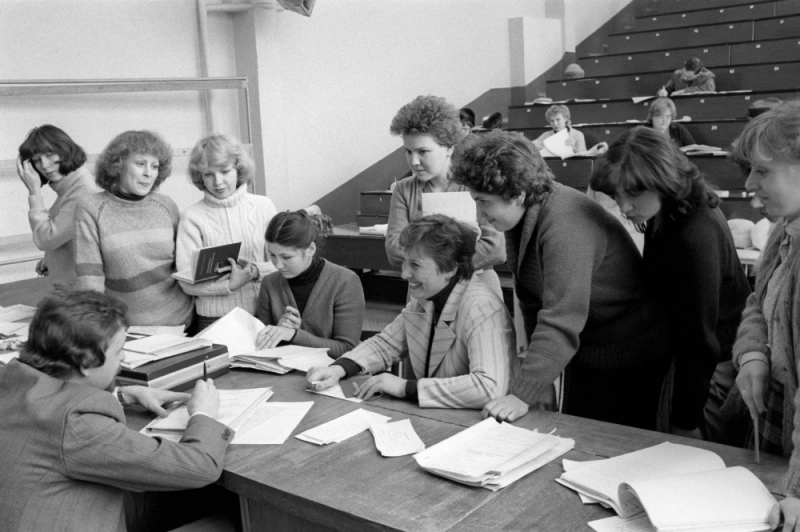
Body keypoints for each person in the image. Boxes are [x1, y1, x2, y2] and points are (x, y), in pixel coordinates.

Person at [452, 131, 672, 429]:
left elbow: (561, 318)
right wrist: (538, 382)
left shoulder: (564, 223)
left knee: (605, 443)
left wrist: (521, 394)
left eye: (483, 202)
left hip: (630, 355)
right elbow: (532, 301)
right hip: (590, 349)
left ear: (517, 194)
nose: (480, 216)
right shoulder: (523, 214)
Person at [0, 289, 231, 532]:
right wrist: (204, 414)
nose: (123, 359)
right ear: (86, 362)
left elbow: (54, 405)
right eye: (119, 350)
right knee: (228, 513)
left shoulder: (9, 379)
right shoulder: (77, 424)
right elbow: (200, 467)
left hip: (49, 510)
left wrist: (123, 394)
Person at [590, 127, 751, 443]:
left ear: (663, 179)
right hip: (692, 358)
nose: (624, 207)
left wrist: (685, 420)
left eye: (633, 193)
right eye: (616, 195)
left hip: (712, 368)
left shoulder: (693, 235)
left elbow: (699, 341)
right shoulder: (670, 210)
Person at [307, 215, 517, 408]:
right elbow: (386, 344)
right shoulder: (427, 297)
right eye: (404, 262)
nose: (404, 273)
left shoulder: (482, 307)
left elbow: (488, 387)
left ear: (450, 268)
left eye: (415, 265)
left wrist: (404, 387)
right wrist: (339, 368)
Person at [730, 101, 800, 529]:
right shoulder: (783, 228)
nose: (749, 184)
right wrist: (754, 354)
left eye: (762, 171)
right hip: (783, 416)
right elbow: (758, 302)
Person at [386, 95, 506, 296]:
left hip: (478, 287)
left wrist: (428, 263)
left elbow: (494, 248)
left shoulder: (477, 184)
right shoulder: (403, 189)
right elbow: (394, 250)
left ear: (449, 147)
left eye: (423, 151)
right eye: (408, 152)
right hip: (423, 291)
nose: (414, 161)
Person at [74, 130, 194, 328]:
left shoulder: (166, 205)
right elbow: (90, 282)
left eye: (154, 166)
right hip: (130, 331)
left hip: (185, 323)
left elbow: (185, 265)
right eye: (140, 164)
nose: (149, 173)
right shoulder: (91, 209)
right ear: (117, 165)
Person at [177, 134, 278, 331]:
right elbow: (186, 282)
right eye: (208, 174)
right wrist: (229, 286)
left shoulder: (263, 207)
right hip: (214, 320)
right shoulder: (191, 217)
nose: (218, 181)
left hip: (264, 314)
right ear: (200, 176)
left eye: (225, 171)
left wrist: (254, 271)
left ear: (238, 169)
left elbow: (282, 264)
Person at [255, 210, 365, 359]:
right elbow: (261, 346)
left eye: (286, 257)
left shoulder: (345, 281)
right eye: (272, 255)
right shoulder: (269, 283)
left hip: (333, 369)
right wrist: (278, 333)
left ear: (311, 250)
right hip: (285, 368)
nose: (278, 265)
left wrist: (294, 335)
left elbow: (346, 348)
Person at [16, 125, 99, 284]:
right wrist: (51, 260)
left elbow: (46, 239)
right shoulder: (72, 188)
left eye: (49, 155)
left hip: (82, 291)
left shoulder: (83, 193)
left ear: (66, 151)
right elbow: (70, 236)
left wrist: (34, 191)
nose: (45, 165)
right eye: (37, 160)